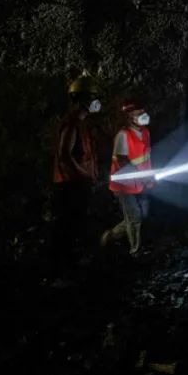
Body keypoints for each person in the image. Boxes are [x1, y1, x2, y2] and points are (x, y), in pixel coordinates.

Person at [50, 74, 101, 273]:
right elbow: (65, 155)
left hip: (78, 182)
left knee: (76, 224)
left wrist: (91, 173)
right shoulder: (72, 123)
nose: (96, 101)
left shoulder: (82, 123)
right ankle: (61, 268)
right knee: (67, 226)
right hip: (70, 184)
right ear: (81, 99)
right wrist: (84, 175)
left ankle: (70, 263)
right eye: (92, 96)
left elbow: (84, 154)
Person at [101, 101, 153, 255]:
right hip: (124, 184)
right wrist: (140, 175)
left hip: (142, 181)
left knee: (142, 214)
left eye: (143, 112)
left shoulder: (145, 133)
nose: (143, 116)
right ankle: (135, 251)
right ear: (130, 117)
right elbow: (122, 161)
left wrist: (148, 176)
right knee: (135, 216)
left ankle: (111, 236)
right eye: (138, 113)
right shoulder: (123, 135)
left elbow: (146, 157)